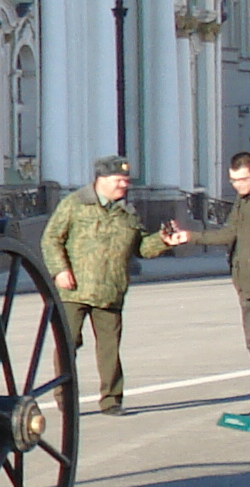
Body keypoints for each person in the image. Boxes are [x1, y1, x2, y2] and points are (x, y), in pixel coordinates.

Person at [162, 151, 250, 420]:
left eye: (242, 180)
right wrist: (189, 236)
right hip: (245, 280)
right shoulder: (244, 202)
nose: (238, 185)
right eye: (233, 181)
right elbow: (230, 234)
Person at [40, 154, 168, 414]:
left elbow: (141, 247)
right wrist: (59, 271)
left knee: (110, 348)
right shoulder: (75, 204)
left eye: (126, 181)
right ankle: (66, 399)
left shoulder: (127, 212)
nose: (124, 185)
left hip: (111, 290)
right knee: (68, 344)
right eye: (119, 180)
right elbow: (51, 238)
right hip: (74, 290)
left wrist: (164, 240)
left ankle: (111, 399)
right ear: (101, 179)